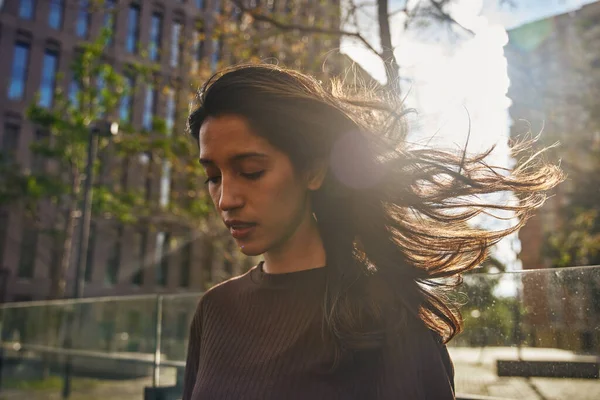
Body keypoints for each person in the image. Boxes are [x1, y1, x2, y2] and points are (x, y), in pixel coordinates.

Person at [182, 64, 562, 400]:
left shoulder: (385, 313)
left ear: (314, 171)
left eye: (251, 171)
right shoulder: (214, 310)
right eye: (212, 177)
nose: (225, 198)